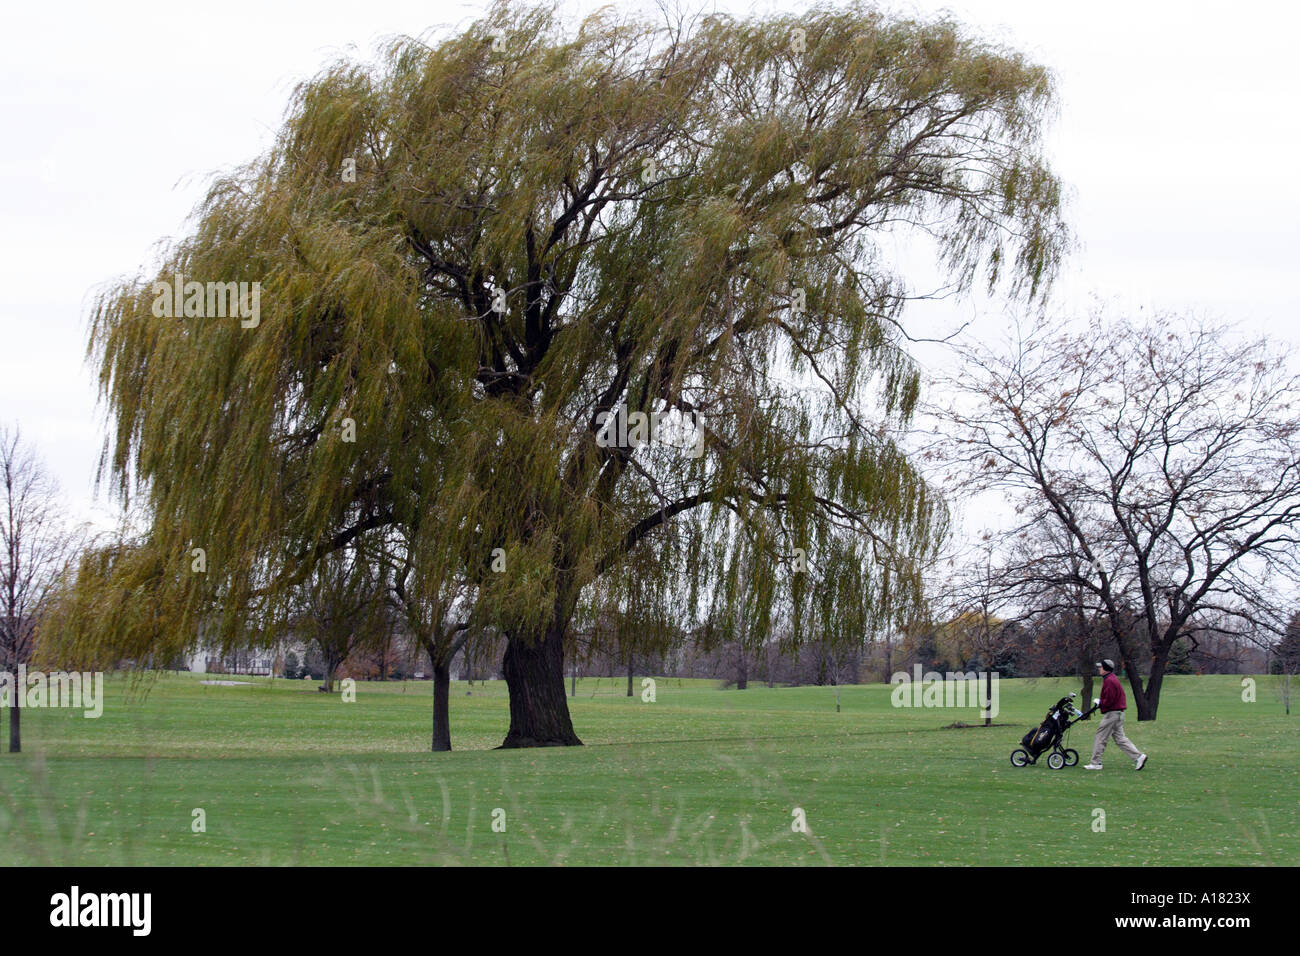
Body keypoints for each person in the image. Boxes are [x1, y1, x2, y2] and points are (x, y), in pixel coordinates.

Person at [1083, 659, 1147, 771]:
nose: (1099, 668)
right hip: (1118, 714)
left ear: (1105, 668)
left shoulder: (1109, 681)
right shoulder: (1112, 679)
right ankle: (1139, 757)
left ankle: (1096, 763)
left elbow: (1110, 699)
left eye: (1101, 667)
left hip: (1112, 714)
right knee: (1120, 739)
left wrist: (1101, 703)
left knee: (1100, 737)